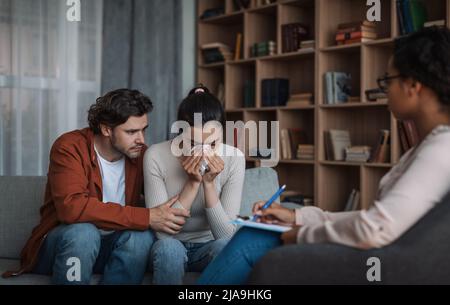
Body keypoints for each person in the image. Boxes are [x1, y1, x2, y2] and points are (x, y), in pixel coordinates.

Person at [197, 26, 450, 285]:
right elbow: (375, 217)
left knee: (255, 241)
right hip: (378, 254)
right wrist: (297, 217)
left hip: (379, 265)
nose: (385, 90)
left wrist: (302, 234)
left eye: (388, 80)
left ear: (413, 86)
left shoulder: (441, 149)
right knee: (255, 235)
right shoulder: (431, 146)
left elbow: (375, 228)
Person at [2, 89, 190, 284]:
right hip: (63, 246)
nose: (141, 140)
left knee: (140, 238)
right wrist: (147, 216)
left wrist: (197, 176)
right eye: (131, 132)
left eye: (144, 130)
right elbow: (71, 208)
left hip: (110, 247)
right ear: (106, 129)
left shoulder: (141, 155)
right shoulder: (70, 146)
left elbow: (168, 200)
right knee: (83, 233)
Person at [144, 85, 245, 284]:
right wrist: (192, 183)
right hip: (170, 244)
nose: (203, 153)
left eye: (212, 144)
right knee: (169, 250)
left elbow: (224, 235)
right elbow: (163, 233)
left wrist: (209, 185)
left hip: (209, 245)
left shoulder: (234, 158)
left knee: (227, 248)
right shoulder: (155, 155)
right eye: (193, 143)